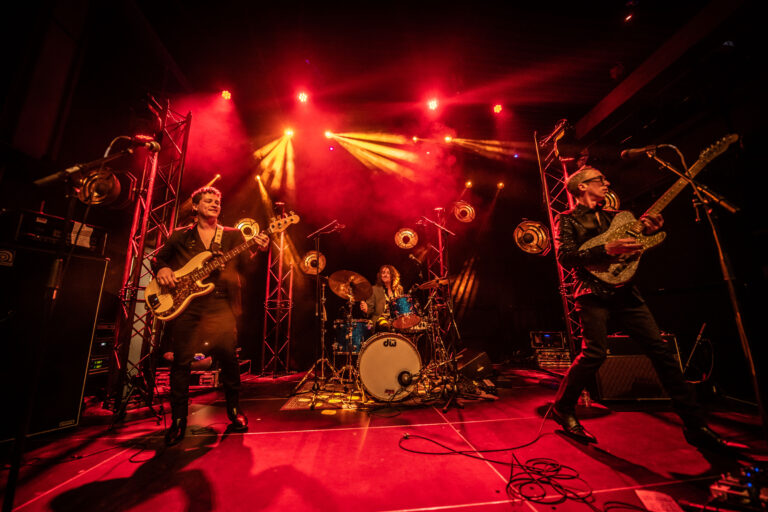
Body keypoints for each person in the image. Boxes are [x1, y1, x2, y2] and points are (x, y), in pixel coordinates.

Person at [551, 165, 730, 450]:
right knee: (594, 354)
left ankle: (695, 425)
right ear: (582, 187)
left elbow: (636, 247)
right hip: (592, 291)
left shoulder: (618, 217)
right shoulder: (567, 220)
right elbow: (566, 257)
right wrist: (604, 250)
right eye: (600, 179)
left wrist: (648, 232)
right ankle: (563, 407)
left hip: (626, 291)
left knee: (661, 352)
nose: (606, 182)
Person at [152, 186, 268, 446]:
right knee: (181, 362)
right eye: (208, 200)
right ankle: (179, 420)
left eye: (218, 200)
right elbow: (159, 260)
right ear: (195, 206)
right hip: (186, 306)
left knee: (229, 360)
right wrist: (162, 270)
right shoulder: (180, 236)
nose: (215, 203)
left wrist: (258, 250)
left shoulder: (232, 235)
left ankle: (234, 412)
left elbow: (247, 269)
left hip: (219, 305)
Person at [360, 265, 403, 331]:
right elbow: (370, 311)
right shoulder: (374, 289)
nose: (385, 275)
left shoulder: (399, 289)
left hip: (395, 320)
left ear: (393, 275)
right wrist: (366, 310)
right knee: (385, 326)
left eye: (388, 273)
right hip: (380, 320)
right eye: (383, 273)